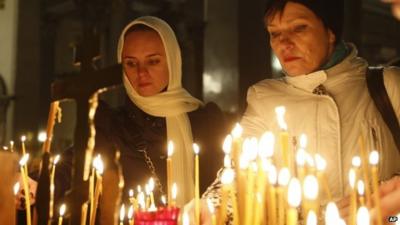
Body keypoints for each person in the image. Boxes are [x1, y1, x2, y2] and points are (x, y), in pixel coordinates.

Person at [201, 0, 400, 224]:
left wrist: (391, 208)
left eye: (299, 28)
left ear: (330, 31)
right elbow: (240, 175)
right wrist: (210, 206)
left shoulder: (387, 86)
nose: (283, 43)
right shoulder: (266, 99)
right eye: (274, 33)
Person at [16, 16, 227, 221]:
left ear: (173, 60)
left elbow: (228, 182)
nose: (141, 72)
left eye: (153, 61)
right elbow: (73, 164)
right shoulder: (112, 125)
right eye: (131, 63)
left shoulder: (206, 122)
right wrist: (34, 183)